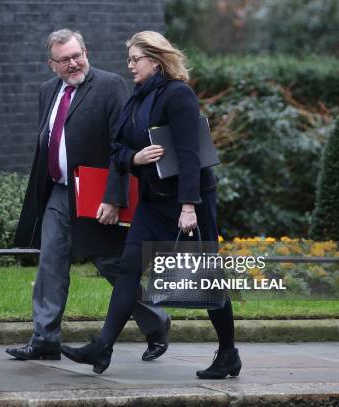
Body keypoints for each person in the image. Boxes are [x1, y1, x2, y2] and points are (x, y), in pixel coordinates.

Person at [61, 31, 241, 379]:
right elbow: (117, 150)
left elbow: (191, 154)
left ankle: (228, 353)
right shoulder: (137, 99)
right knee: (128, 268)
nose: (129, 65)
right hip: (153, 201)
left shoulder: (179, 96)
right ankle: (103, 346)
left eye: (134, 59)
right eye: (129, 59)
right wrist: (136, 157)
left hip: (189, 203)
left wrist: (189, 205)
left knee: (203, 279)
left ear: (155, 61)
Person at [8, 29, 171, 362]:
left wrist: (113, 198)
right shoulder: (47, 91)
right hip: (58, 192)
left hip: (96, 196)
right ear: (51, 64)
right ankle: (45, 338)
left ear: (86, 51)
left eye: (77, 55)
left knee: (111, 264)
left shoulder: (109, 85)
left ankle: (156, 322)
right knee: (51, 263)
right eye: (64, 59)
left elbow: (121, 144)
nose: (73, 63)